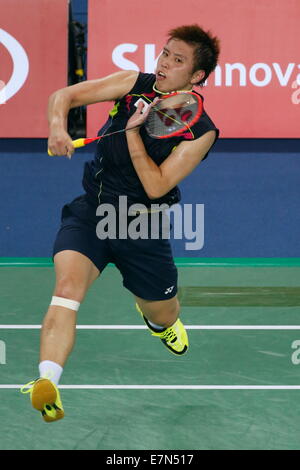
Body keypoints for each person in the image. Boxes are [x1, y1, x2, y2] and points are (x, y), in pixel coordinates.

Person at [21, 24, 220, 422]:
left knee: (163, 312)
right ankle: (48, 382)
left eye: (177, 60)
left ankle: (160, 324)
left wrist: (131, 134)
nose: (164, 63)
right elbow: (64, 95)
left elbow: (156, 184)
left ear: (197, 76)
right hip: (93, 210)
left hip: (140, 225)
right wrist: (58, 126)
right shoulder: (134, 83)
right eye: (165, 53)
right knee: (66, 290)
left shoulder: (200, 130)